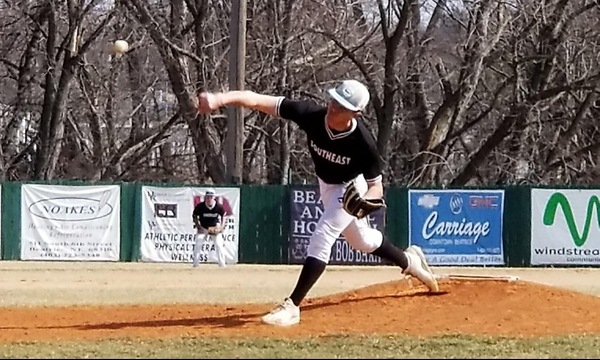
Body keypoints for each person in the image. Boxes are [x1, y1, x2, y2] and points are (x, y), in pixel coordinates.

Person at [196, 79, 439, 326]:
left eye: (342, 105)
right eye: (334, 100)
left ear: (356, 113)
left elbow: (376, 185)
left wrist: (366, 200)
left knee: (323, 235)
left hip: (350, 187)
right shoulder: (311, 114)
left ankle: (292, 306)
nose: (334, 107)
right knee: (362, 242)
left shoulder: (363, 143)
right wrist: (219, 100)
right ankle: (410, 261)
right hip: (326, 185)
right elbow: (256, 99)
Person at [192, 188, 227, 268]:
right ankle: (195, 265)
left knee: (219, 245)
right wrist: (199, 227)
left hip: (215, 228)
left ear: (214, 197)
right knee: (198, 244)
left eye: (211, 197)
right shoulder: (200, 206)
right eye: (207, 197)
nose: (209, 199)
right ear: (205, 197)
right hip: (203, 228)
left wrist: (221, 228)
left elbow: (224, 216)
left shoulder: (218, 206)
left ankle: (222, 265)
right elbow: (194, 216)